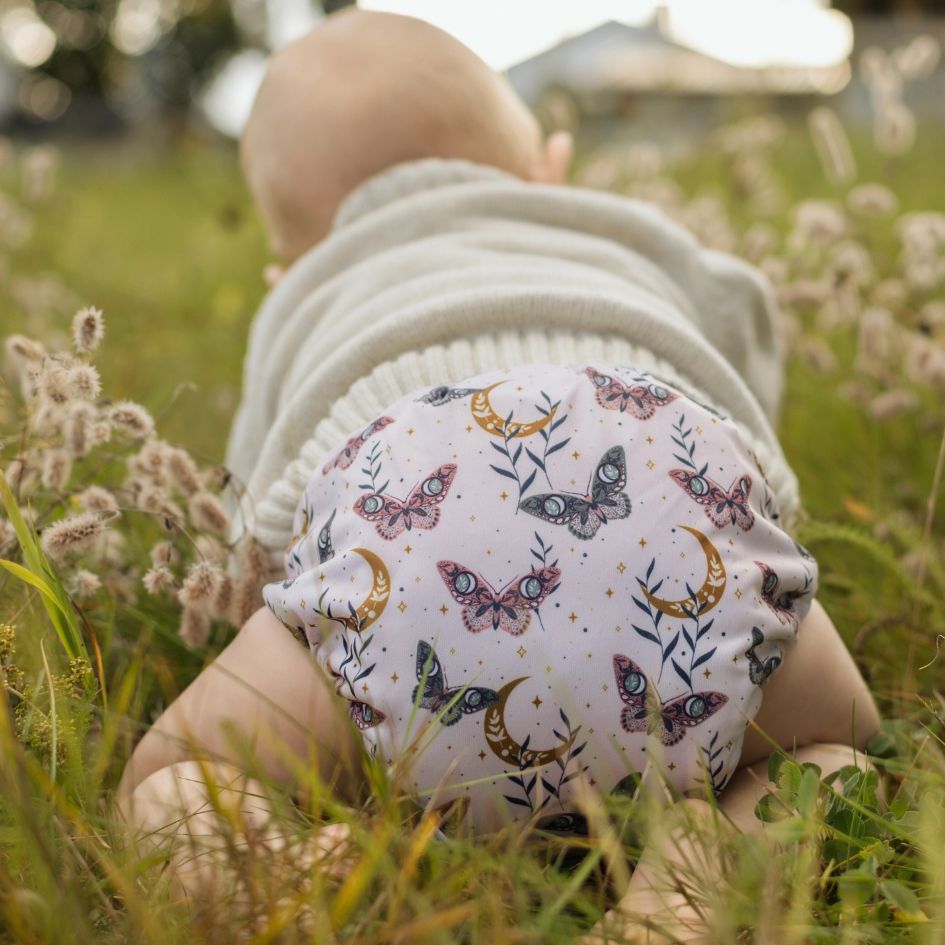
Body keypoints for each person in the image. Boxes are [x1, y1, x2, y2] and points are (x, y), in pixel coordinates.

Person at [117, 8, 882, 942]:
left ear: (288, 266)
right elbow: (744, 325)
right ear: (548, 171)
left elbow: (253, 531)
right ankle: (712, 864)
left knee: (170, 775)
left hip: (405, 557)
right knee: (831, 749)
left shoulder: (304, 301)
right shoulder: (628, 235)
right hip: (677, 537)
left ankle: (289, 871)